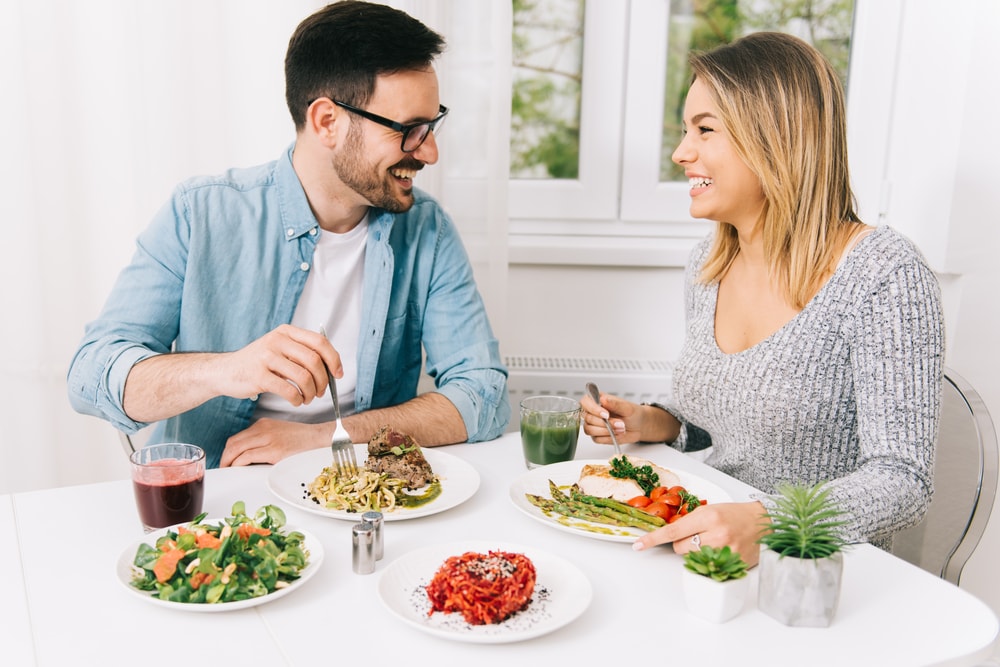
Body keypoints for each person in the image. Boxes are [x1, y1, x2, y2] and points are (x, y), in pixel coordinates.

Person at [67, 1, 509, 469]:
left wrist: (329, 438)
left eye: (432, 125)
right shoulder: (200, 213)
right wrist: (226, 369)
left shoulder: (427, 229)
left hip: (364, 495)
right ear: (327, 122)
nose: (431, 152)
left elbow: (484, 395)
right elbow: (91, 374)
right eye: (410, 130)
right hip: (226, 502)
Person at [580, 32, 943, 566]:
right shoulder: (709, 263)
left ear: (775, 138)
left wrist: (768, 519)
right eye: (685, 131)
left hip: (820, 572)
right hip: (713, 553)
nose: (682, 153)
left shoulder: (884, 273)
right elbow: (735, 426)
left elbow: (903, 480)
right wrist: (659, 421)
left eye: (705, 130)